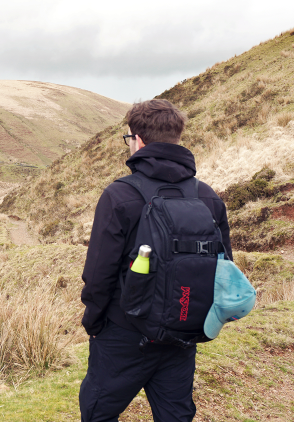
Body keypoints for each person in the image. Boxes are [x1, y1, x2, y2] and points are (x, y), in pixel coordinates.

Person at [78, 99, 232, 422]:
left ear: (139, 141)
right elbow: (224, 267)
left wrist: (95, 324)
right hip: (182, 332)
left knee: (97, 413)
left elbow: (97, 276)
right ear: (176, 138)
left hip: (123, 334)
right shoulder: (207, 198)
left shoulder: (118, 196)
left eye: (129, 139)